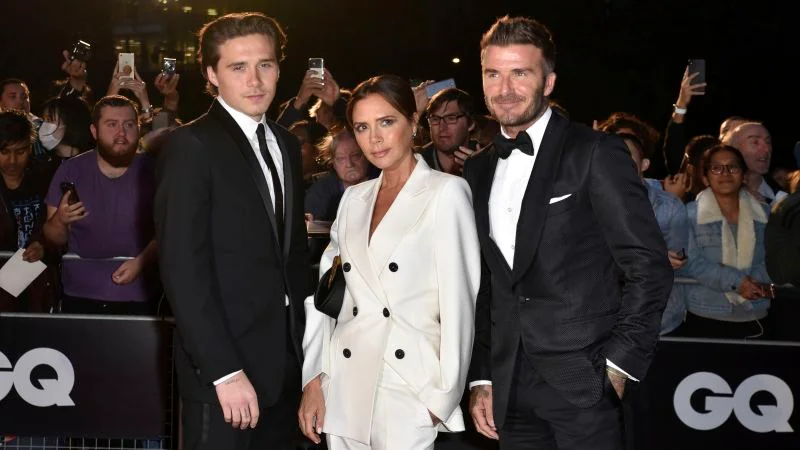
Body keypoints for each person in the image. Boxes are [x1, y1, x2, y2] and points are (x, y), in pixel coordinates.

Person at [464, 16, 672, 450]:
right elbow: (487, 283)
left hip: (585, 382)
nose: (505, 88)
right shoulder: (478, 168)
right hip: (509, 386)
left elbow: (647, 265)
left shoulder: (594, 151)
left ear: (549, 81)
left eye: (520, 73)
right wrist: (483, 375)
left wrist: (619, 365)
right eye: (493, 74)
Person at [154, 12, 312, 449]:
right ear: (212, 74)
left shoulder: (285, 143)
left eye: (265, 65)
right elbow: (183, 271)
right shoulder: (190, 145)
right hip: (225, 374)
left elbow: (294, 259)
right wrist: (224, 371)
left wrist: (311, 360)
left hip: (287, 366)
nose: (255, 80)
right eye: (238, 67)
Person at [298, 74, 481, 450]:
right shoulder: (353, 200)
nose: (375, 138)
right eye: (362, 127)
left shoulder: (446, 193)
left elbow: (460, 303)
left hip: (407, 384)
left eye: (386, 122)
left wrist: (440, 398)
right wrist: (314, 378)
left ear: (412, 123)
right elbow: (325, 296)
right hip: (345, 381)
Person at [43, 96, 159, 314]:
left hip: (142, 295)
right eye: (112, 125)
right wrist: (60, 220)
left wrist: (143, 262)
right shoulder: (71, 171)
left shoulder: (156, 172)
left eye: (129, 125)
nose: (121, 133)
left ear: (139, 128)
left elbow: (174, 230)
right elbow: (54, 237)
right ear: (94, 131)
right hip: (80, 295)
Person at [681, 145, 772, 339]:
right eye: (716, 168)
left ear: (744, 175)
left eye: (733, 167)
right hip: (705, 313)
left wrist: (753, 284)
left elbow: (774, 260)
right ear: (705, 178)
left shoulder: (764, 216)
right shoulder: (689, 215)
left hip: (756, 315)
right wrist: (738, 282)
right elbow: (691, 263)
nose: (725, 173)